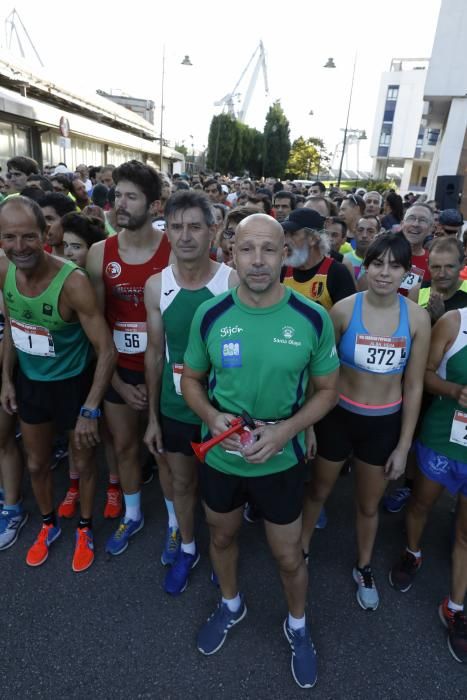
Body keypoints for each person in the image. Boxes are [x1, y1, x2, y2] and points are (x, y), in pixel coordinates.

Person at [181, 213, 339, 689]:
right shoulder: (210, 314)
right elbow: (190, 379)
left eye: (269, 249)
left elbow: (328, 389)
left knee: (288, 556)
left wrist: (287, 429)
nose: (257, 260)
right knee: (223, 537)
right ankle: (231, 605)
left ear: (284, 254)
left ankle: (298, 625)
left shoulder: (312, 317)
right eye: (247, 249)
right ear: (231, 253)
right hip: (223, 454)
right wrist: (211, 417)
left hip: (281, 459)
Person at [301, 232, 431, 610]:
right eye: (377, 263)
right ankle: (301, 551)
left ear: (407, 272)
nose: (384, 273)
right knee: (319, 491)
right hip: (338, 417)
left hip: (383, 423)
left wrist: (404, 446)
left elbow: (414, 384)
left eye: (394, 265)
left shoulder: (418, 318)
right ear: (366, 266)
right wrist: (309, 424)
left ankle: (363, 565)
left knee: (369, 505)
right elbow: (318, 373)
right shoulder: (342, 310)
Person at [0, 196, 116, 571]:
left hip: (73, 384)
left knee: (82, 462)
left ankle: (84, 527)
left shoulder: (73, 282)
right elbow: (13, 331)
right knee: (36, 464)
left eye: (28, 237)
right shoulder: (4, 272)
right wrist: (6, 380)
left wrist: (90, 408)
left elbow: (107, 349)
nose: (20, 247)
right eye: (9, 238)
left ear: (46, 234)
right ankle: (48, 524)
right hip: (32, 382)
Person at [144, 191, 237, 590]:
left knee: (220, 494)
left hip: (223, 412)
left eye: (195, 227)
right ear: (167, 232)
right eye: (177, 227)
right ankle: (187, 547)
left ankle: (221, 551)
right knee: (181, 483)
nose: (185, 236)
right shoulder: (156, 285)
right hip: (175, 407)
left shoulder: (230, 281)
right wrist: (151, 417)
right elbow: (154, 354)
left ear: (212, 230)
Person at [87, 160, 171, 556]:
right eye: (117, 195)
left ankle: (175, 524)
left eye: (131, 197)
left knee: (166, 453)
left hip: (166, 371)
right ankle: (133, 513)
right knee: (124, 447)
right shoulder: (99, 253)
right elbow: (97, 326)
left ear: (154, 205)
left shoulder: (174, 250)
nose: (121, 204)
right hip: (120, 371)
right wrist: (117, 381)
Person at [389, 309, 467, 663]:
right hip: (442, 439)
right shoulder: (455, 322)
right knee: (421, 504)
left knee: (465, 534)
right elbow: (423, 372)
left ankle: (454, 606)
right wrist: (456, 390)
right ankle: (413, 552)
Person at [282, 208, 356, 310]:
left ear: (313, 238)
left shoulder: (337, 273)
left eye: (293, 234)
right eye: (285, 233)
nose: (285, 241)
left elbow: (348, 318)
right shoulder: (282, 270)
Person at [399, 203, 433, 296]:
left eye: (422, 220)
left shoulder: (433, 262)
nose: (415, 224)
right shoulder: (385, 254)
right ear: (402, 224)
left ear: (430, 229)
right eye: (411, 218)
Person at [344, 215, 380, 285]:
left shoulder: (384, 263)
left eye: (370, 231)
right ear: (354, 233)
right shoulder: (344, 260)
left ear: (378, 234)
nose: (364, 235)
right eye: (360, 230)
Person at [38, 192, 76, 258]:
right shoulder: (39, 252)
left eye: (49, 219)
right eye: (41, 219)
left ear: (68, 220)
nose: (43, 225)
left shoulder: (84, 257)